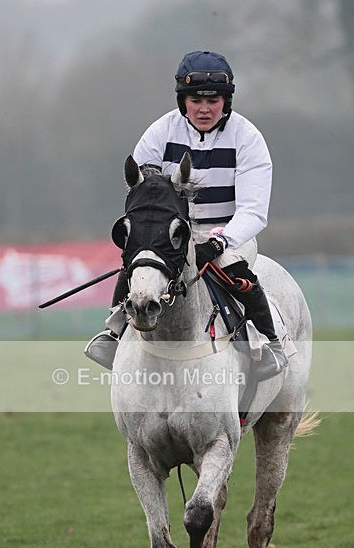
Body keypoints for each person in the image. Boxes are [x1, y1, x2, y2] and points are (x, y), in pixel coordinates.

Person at [85, 50, 288, 380]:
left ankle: (270, 343)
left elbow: (253, 211)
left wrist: (219, 243)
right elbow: (143, 196)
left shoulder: (248, 139)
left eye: (213, 100)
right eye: (196, 100)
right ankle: (114, 332)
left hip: (230, 234)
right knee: (139, 262)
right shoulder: (159, 133)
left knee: (235, 271)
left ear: (226, 101)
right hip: (174, 233)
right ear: (183, 101)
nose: (204, 108)